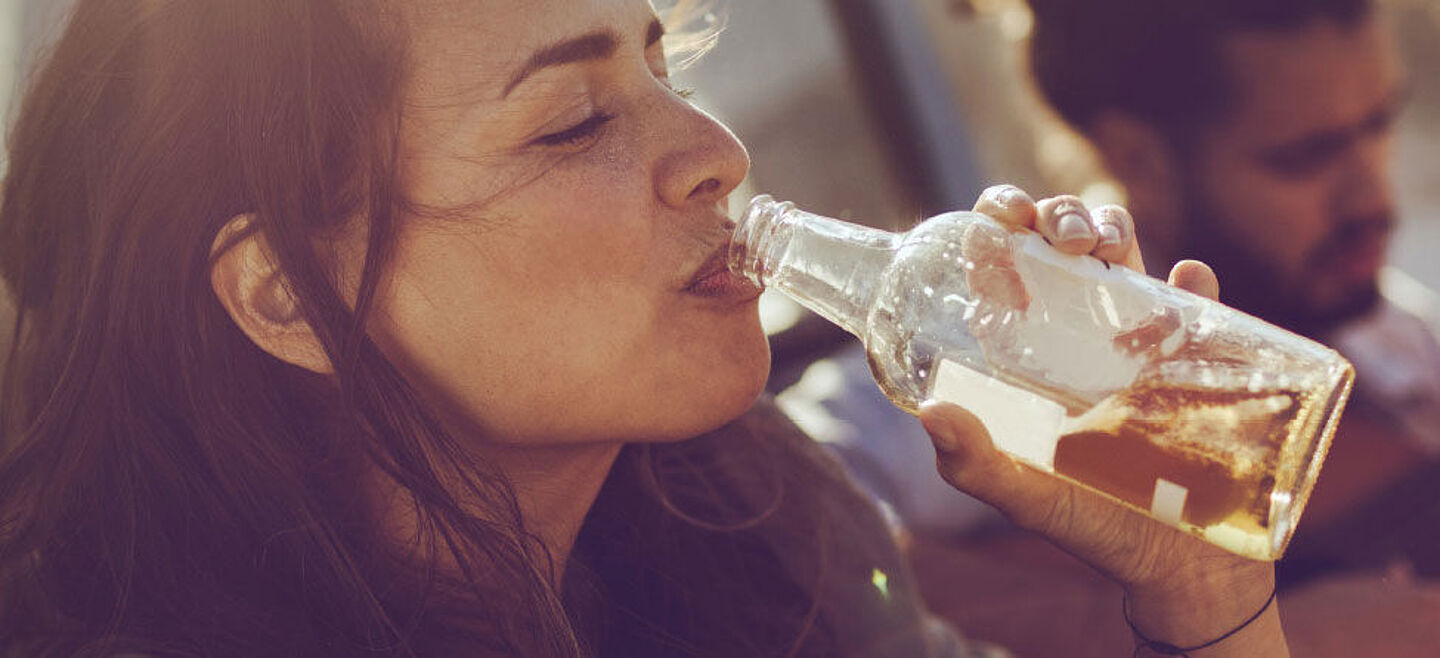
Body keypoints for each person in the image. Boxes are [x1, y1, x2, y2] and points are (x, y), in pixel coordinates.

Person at [0, 0, 1286, 656]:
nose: (719, 154)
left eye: (666, 73)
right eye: (572, 121)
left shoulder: (749, 513)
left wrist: (1195, 584)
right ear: (289, 295)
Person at [1026, 0, 1440, 587]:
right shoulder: (1018, 345)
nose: (1372, 198)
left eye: (1378, 125)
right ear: (1137, 159)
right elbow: (860, 540)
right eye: (1303, 157)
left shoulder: (1397, 334)